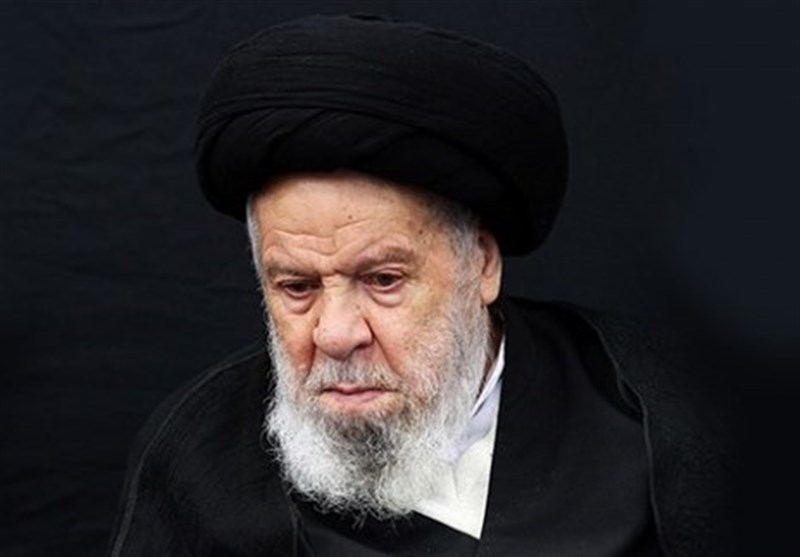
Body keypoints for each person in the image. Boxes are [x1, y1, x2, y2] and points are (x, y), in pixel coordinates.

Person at [107, 14, 731, 556]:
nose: (336, 335)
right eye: (297, 287)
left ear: (482, 263)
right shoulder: (197, 459)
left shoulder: (657, 409)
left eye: (383, 280)